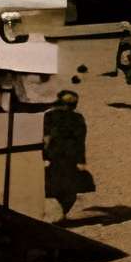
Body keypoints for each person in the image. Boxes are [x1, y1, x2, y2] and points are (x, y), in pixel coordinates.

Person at [42, 88, 95, 222]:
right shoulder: (77, 118)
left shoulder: (49, 116)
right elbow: (80, 141)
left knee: (55, 186)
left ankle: (61, 214)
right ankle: (62, 213)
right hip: (68, 157)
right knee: (69, 188)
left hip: (55, 156)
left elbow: (45, 138)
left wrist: (43, 155)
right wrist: (81, 160)